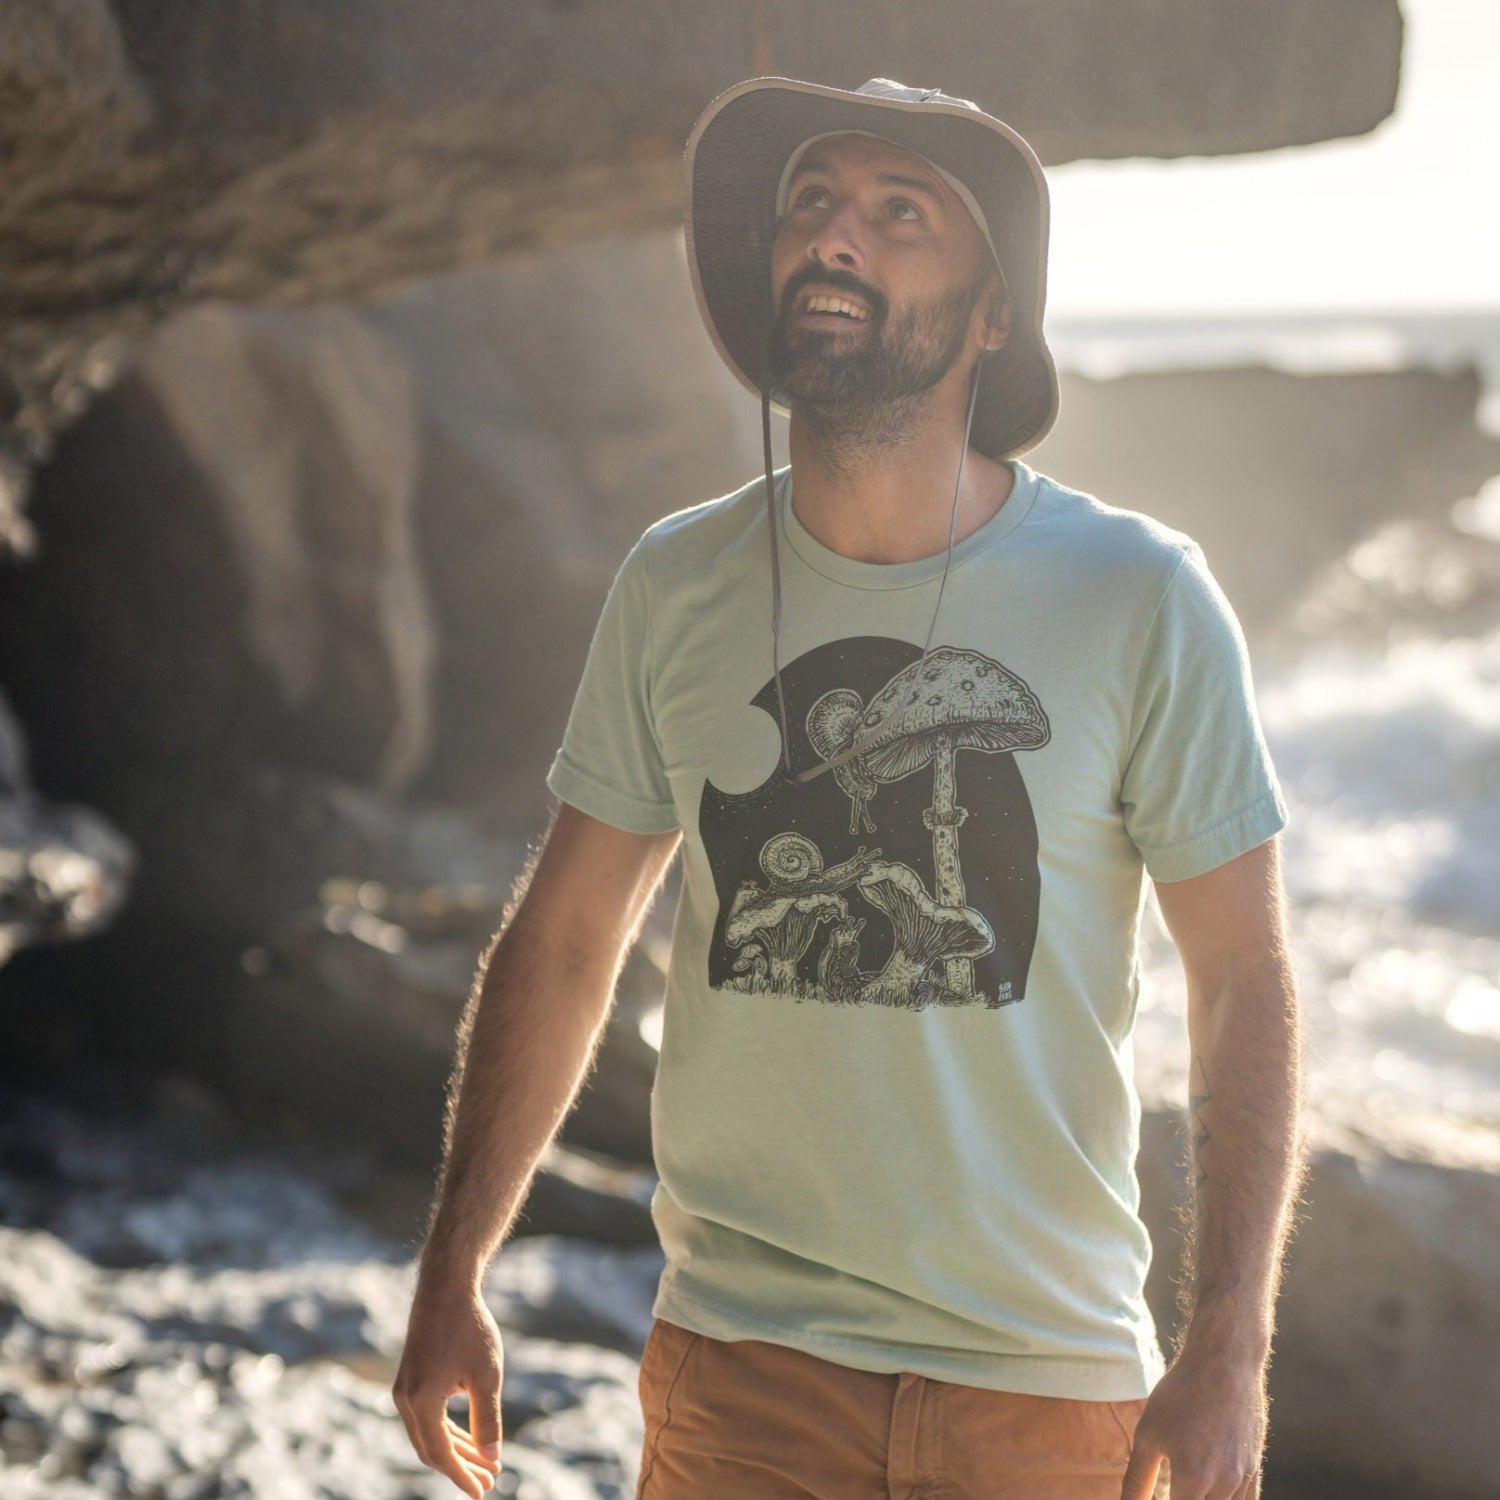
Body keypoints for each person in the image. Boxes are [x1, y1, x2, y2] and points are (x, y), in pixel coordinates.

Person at [393, 77, 1305, 1500]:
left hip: (1047, 1393)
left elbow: (1243, 975)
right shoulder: (676, 583)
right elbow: (569, 941)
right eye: (810, 205)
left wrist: (1231, 1343)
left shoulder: (1142, 596)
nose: (837, 238)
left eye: (902, 215)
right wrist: (453, 1268)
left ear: (992, 316)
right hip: (742, 1381)